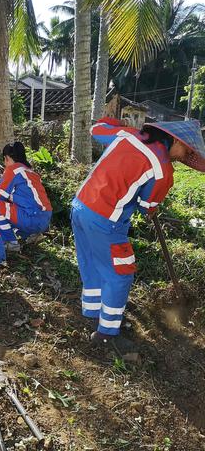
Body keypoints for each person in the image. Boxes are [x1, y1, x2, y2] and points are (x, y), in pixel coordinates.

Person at [72, 117, 205, 347]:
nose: (183, 156)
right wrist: (151, 208)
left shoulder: (128, 135)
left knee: (91, 262)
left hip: (80, 206)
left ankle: (92, 312)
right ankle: (106, 334)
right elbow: (147, 207)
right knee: (120, 274)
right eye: (185, 149)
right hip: (106, 220)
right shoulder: (163, 171)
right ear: (173, 139)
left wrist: (118, 122)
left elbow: (97, 129)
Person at [0, 141, 53, 252]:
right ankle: (32, 235)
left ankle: (10, 242)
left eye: (5, 159)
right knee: (7, 208)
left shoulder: (13, 169)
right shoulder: (30, 171)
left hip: (32, 218)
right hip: (44, 219)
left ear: (7, 158)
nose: (5, 163)